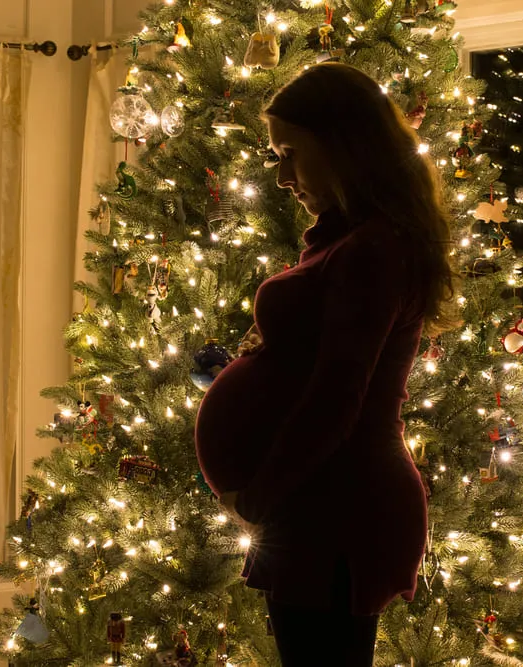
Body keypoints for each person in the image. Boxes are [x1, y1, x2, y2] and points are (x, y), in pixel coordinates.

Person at [194, 62, 457, 666]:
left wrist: (255, 500)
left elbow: (338, 398)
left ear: (344, 145)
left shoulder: (373, 248)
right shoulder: (354, 239)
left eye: (290, 153)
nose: (283, 177)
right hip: (319, 506)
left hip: (339, 511)